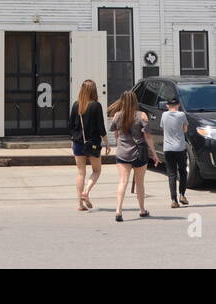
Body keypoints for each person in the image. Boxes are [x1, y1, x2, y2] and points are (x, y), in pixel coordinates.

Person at [108, 90, 160, 222]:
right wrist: (154, 153)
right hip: (139, 152)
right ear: (135, 101)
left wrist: (120, 144)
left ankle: (118, 211)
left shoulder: (117, 116)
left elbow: (116, 134)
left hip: (122, 153)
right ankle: (142, 210)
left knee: (122, 181)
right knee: (140, 183)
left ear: (122, 101)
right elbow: (147, 136)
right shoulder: (142, 115)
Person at [68, 79, 109, 211]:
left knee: (81, 173)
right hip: (93, 144)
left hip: (78, 143)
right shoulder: (96, 105)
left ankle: (80, 204)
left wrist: (73, 140)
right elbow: (101, 127)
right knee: (97, 170)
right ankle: (86, 191)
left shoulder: (76, 105)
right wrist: (107, 143)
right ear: (94, 90)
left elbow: (71, 126)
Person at [161, 94, 191, 209]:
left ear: (168, 105)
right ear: (178, 105)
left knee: (171, 174)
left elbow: (163, 128)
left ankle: (173, 200)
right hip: (180, 147)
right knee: (183, 171)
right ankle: (182, 194)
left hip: (168, 148)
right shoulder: (182, 115)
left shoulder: (164, 115)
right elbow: (185, 129)